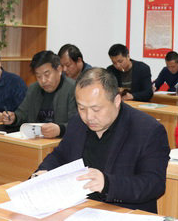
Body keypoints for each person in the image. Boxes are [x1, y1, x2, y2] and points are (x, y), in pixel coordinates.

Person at [35, 68, 170, 213]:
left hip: (125, 212)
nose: (89, 117)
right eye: (82, 108)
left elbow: (154, 184)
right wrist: (43, 173)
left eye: (96, 109)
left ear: (116, 100)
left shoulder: (148, 130)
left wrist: (108, 184)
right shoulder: (77, 123)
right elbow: (60, 155)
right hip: (80, 209)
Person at [2, 50, 76, 138]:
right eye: (39, 76)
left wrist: (60, 130)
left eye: (47, 75)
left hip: (61, 141)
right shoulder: (34, 89)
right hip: (36, 140)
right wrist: (13, 118)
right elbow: (22, 113)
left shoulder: (73, 89)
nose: (43, 81)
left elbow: (78, 124)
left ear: (59, 70)